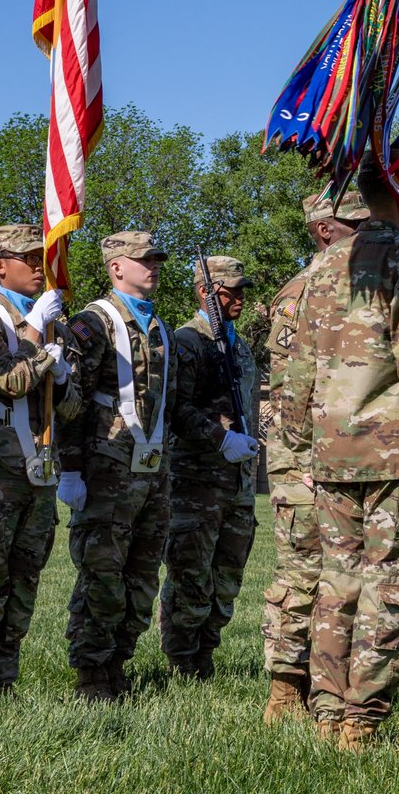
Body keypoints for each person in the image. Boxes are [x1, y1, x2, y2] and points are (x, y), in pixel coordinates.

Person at [284, 151, 399, 750]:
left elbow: (296, 372)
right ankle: (362, 719)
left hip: (330, 450)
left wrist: (304, 441)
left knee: (337, 580)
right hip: (391, 451)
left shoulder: (322, 267)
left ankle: (326, 710)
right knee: (388, 583)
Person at [0, 224, 80, 697]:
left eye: (43, 259)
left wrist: (62, 375)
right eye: (30, 259)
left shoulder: (55, 325)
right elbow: (9, 381)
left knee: (25, 578)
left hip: (40, 472)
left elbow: (70, 408)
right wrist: (32, 335)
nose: (41, 270)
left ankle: (4, 677)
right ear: (0, 265)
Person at [262, 189, 370, 724]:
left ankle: (334, 685)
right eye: (355, 225)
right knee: (303, 572)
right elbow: (290, 388)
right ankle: (286, 690)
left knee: (346, 574)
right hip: (303, 458)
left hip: (347, 455)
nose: (367, 232)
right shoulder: (302, 293)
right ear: (325, 229)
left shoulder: (360, 286)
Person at [61, 232, 176, 701]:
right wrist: (70, 468)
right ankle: (91, 674)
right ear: (115, 267)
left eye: (156, 259)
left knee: (143, 574)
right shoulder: (93, 323)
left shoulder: (159, 326)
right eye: (142, 260)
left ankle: (118, 662)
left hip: (152, 468)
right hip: (107, 468)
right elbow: (72, 402)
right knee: (102, 573)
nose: (152, 266)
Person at [160, 255, 260, 679]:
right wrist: (221, 437)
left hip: (238, 480)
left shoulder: (238, 343)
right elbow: (177, 408)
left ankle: (207, 652)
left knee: (228, 573)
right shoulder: (189, 340)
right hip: (197, 479)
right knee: (191, 573)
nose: (238, 298)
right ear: (205, 292)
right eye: (228, 291)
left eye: (241, 291)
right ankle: (184, 660)